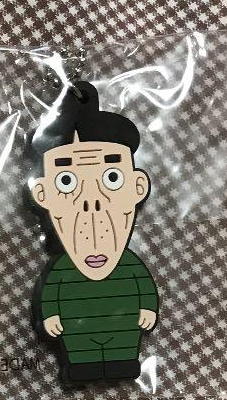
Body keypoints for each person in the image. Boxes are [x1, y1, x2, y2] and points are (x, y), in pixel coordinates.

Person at [29, 83, 159, 384]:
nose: (91, 201)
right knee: (80, 349)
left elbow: (142, 283)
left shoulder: (128, 264)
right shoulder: (62, 268)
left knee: (122, 345)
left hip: (123, 324)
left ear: (138, 186)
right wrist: (50, 314)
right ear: (42, 193)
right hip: (76, 330)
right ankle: (82, 366)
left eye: (112, 178)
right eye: (66, 181)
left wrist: (148, 307)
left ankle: (123, 363)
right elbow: (51, 289)